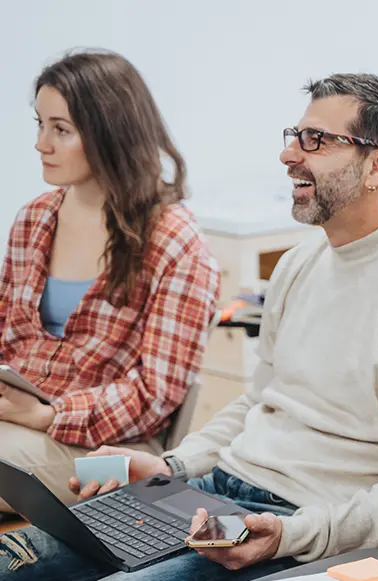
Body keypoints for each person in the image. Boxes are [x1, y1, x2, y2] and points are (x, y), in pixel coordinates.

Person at [0, 72, 378, 580]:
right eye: (295, 137)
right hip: (218, 494)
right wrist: (175, 467)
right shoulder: (299, 265)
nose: (289, 155)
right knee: (9, 563)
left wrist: (292, 536)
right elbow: (258, 404)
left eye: (316, 141)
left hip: (304, 526)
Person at [0, 50, 220, 512]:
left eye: (61, 130)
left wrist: (47, 414)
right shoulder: (34, 218)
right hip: (17, 423)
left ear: (110, 132)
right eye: (39, 124)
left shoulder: (174, 241)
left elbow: (155, 394)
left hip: (114, 452)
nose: (42, 144)